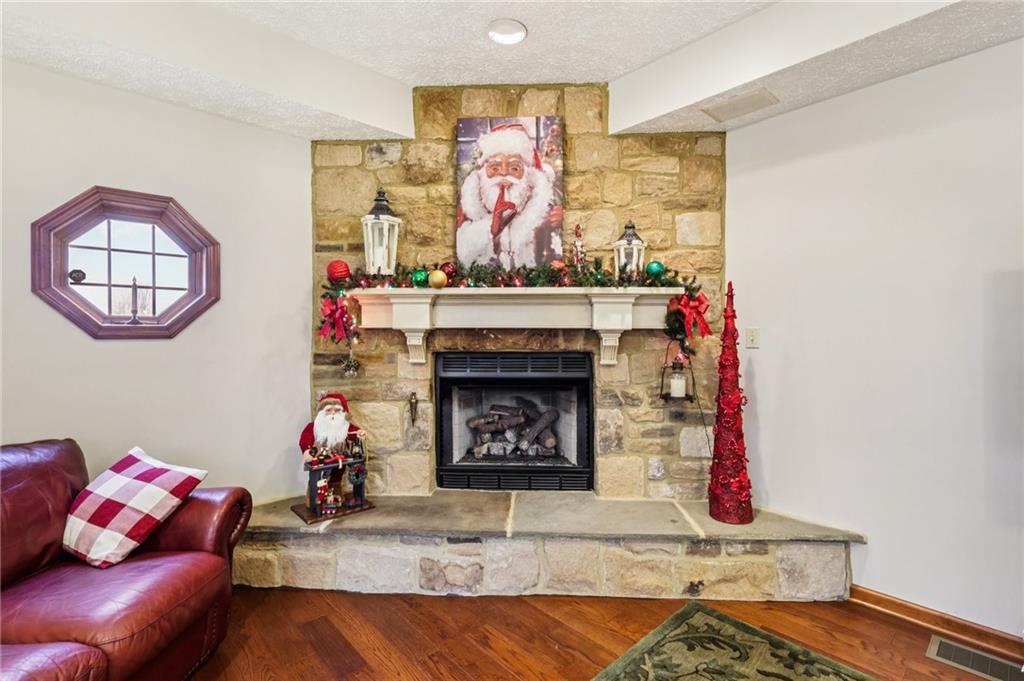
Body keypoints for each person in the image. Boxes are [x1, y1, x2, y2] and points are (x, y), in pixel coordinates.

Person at [457, 123, 562, 268]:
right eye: (495, 168)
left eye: (514, 168)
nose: (505, 177)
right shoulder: (469, 214)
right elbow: (463, 260)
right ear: (481, 176)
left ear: (528, 176)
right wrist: (491, 230)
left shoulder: (543, 217)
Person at [299, 392, 364, 463]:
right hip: (319, 459)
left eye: (337, 410)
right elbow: (305, 439)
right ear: (321, 412)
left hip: (339, 459)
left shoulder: (344, 425)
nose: (333, 413)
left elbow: (352, 432)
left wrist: (359, 433)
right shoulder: (313, 426)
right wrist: (307, 451)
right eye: (328, 410)